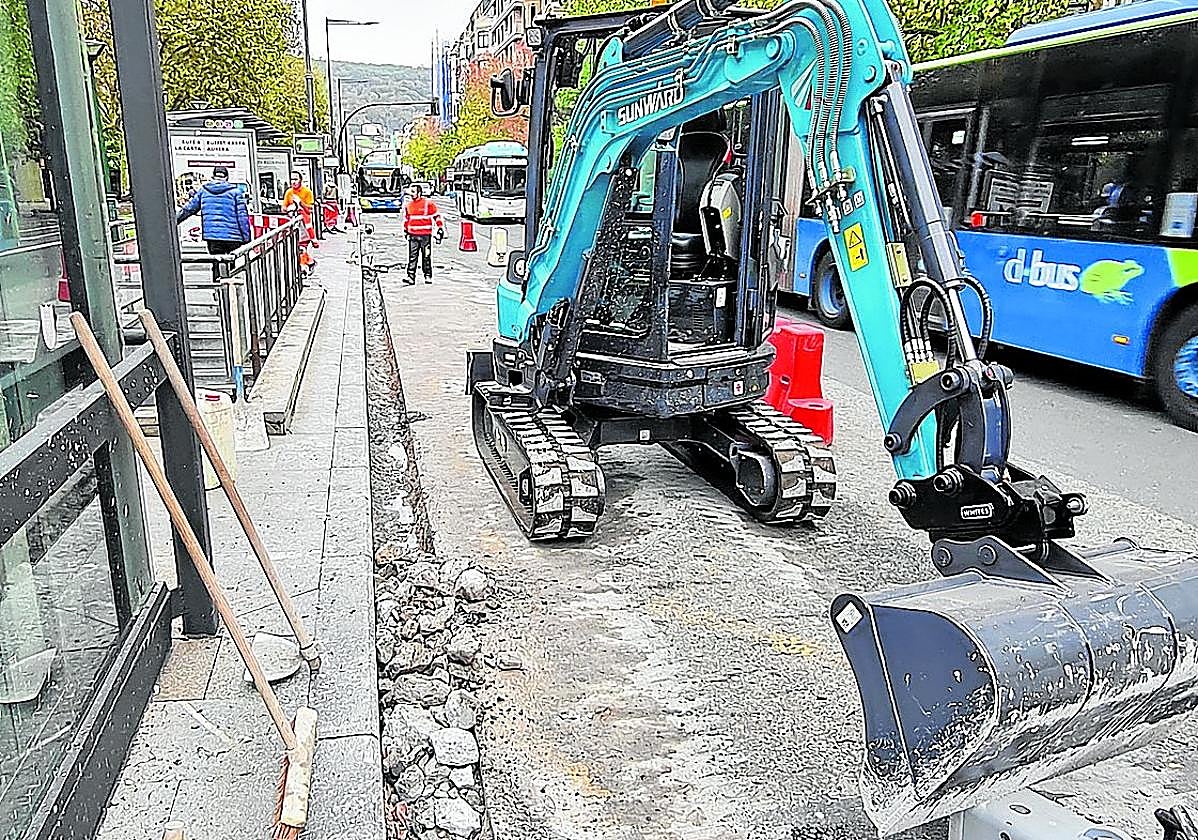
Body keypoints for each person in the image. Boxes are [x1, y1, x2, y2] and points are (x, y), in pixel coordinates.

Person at [175, 166, 251, 254]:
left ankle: (216, 267)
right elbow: (242, 217)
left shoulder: (203, 191)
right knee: (232, 263)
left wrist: (173, 221)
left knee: (216, 261)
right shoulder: (236, 192)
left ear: (213, 176)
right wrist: (246, 238)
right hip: (233, 236)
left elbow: (189, 209)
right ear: (227, 177)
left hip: (212, 237)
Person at [403, 183, 445, 285]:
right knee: (412, 257)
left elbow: (436, 216)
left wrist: (440, 227)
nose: (411, 194)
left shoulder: (428, 204)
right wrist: (405, 230)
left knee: (426, 256)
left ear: (419, 193)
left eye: (413, 192)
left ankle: (428, 276)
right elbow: (407, 219)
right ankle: (410, 277)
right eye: (410, 191)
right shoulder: (408, 206)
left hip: (425, 236)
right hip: (413, 236)